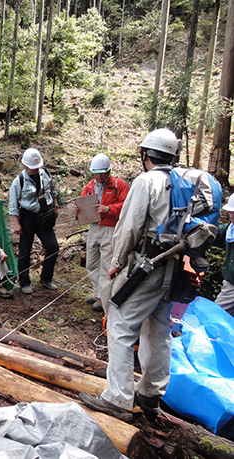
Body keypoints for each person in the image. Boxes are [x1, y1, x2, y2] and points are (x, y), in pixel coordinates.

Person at [79, 128, 182, 423]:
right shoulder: (180, 182)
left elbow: (130, 225)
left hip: (145, 266)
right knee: (159, 329)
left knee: (120, 327)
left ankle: (118, 398)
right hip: (171, 267)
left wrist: (117, 260)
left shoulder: (145, 182)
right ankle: (150, 395)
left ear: (146, 154)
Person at [75, 154, 129, 311]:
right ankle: (98, 292)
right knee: (91, 263)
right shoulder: (90, 186)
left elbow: (126, 206)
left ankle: (103, 299)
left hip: (110, 228)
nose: (98, 177)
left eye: (101, 173)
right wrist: (78, 210)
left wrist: (109, 209)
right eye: (95, 173)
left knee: (106, 263)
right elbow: (82, 201)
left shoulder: (119, 185)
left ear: (109, 171)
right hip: (94, 227)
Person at [9, 148, 60, 294]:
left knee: (53, 246)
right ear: (25, 166)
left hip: (44, 213)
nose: (34, 170)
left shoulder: (45, 174)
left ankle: (46, 277)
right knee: (25, 250)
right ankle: (24, 282)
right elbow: (13, 205)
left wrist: (55, 206)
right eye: (31, 168)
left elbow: (53, 191)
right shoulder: (18, 181)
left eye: (36, 167)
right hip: (27, 217)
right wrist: (16, 223)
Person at [213, 194, 234, 317]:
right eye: (231, 212)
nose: (231, 215)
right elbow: (212, 235)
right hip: (231, 286)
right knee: (216, 317)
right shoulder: (229, 231)